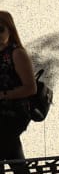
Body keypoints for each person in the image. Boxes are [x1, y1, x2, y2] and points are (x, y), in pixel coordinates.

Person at [0, 11, 38, 161]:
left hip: (14, 114)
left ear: (10, 30)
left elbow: (30, 87)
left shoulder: (17, 53)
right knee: (15, 156)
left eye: (0, 29)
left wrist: (3, 95)